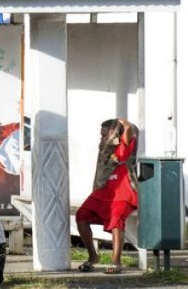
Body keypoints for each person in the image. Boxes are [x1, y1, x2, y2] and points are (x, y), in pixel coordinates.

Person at [76, 118, 139, 275]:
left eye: (105, 135)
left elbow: (129, 128)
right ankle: (93, 256)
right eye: (101, 135)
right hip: (102, 192)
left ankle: (116, 261)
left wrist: (120, 121)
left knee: (116, 218)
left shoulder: (125, 146)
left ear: (115, 135)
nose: (101, 139)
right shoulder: (104, 150)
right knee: (81, 215)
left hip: (123, 193)